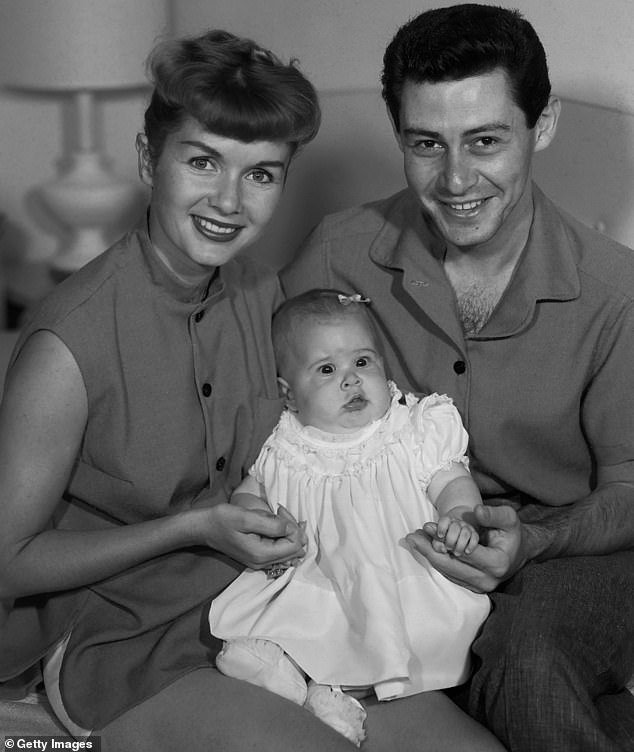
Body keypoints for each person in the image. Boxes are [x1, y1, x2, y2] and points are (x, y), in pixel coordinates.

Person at [0, 27, 505, 752]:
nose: (229, 200)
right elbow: (9, 556)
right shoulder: (67, 342)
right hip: (121, 638)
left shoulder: (261, 294)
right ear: (150, 160)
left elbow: (318, 423)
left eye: (261, 174)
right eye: (203, 161)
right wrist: (191, 527)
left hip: (275, 611)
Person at [282, 5, 634, 752]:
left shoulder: (617, 295)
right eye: (426, 145)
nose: (455, 179)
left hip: (568, 553)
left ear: (543, 125)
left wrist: (533, 544)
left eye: (485, 141)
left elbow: (630, 491)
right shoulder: (335, 256)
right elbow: (268, 415)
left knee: (529, 664)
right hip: (393, 550)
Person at [209, 289, 490, 746]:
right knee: (297, 624)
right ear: (290, 395)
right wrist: (260, 520)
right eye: (326, 370)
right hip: (320, 577)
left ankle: (334, 693)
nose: (351, 381)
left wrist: (459, 515)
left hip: (397, 575)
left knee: (395, 635)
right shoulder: (286, 443)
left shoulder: (412, 427)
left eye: (363, 362)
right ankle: (307, 682)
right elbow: (249, 495)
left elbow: (450, 481)